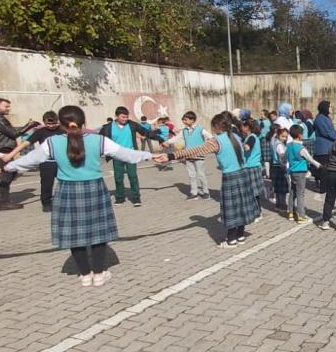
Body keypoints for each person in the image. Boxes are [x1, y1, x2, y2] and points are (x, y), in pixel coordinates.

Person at [7, 106, 152, 286]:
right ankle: (99, 274)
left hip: (67, 191)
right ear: (84, 121)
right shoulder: (99, 140)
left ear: (61, 123)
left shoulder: (51, 143)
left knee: (74, 234)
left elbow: (29, 161)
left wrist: (5, 168)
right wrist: (150, 155)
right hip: (94, 188)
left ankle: (85, 274)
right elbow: (126, 154)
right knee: (99, 232)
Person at [155, 112, 261, 247]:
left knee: (231, 209)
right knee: (241, 207)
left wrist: (171, 156)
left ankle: (231, 240)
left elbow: (196, 150)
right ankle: (240, 236)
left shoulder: (217, 140)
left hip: (231, 177)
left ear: (218, 126)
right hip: (243, 174)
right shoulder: (236, 136)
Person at [0, 98, 38, 209]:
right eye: (6, 106)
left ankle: (1, 198)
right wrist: (30, 125)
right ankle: (3, 201)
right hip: (2, 150)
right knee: (8, 173)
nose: (8, 109)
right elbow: (14, 133)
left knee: (10, 172)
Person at [100, 106, 164, 206]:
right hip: (117, 156)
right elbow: (100, 140)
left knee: (133, 176)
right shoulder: (108, 127)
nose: (125, 119)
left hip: (131, 155)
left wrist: (160, 139)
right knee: (118, 177)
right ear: (116, 116)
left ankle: (136, 198)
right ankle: (120, 198)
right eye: (123, 117)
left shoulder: (132, 125)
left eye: (126, 117)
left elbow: (146, 132)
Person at [20, 112, 67, 213]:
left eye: (53, 123)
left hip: (62, 162)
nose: (51, 126)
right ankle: (46, 203)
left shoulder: (63, 130)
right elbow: (27, 142)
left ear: (57, 121)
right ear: (44, 122)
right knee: (47, 184)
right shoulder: (40, 132)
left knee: (66, 182)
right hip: (46, 162)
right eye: (48, 124)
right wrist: (13, 152)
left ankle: (67, 201)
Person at [162, 111, 212, 201]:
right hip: (188, 155)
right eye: (183, 120)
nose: (184, 121)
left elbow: (211, 137)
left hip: (199, 156)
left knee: (201, 175)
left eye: (186, 120)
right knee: (191, 175)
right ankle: (194, 193)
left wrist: (207, 147)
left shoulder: (201, 129)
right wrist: (167, 142)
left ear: (192, 120)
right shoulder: (184, 131)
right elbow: (176, 138)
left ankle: (206, 192)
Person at [283, 125, 320, 223]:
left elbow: (284, 157)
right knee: (300, 194)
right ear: (299, 135)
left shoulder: (289, 146)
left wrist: (285, 164)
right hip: (300, 172)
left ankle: (290, 212)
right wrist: (319, 165)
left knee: (292, 192)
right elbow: (310, 159)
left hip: (292, 172)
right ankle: (301, 215)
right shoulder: (301, 148)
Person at [313, 100, 336, 174]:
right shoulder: (320, 118)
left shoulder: (326, 118)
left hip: (329, 147)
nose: (331, 108)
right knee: (324, 168)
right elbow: (326, 132)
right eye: (329, 107)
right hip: (323, 148)